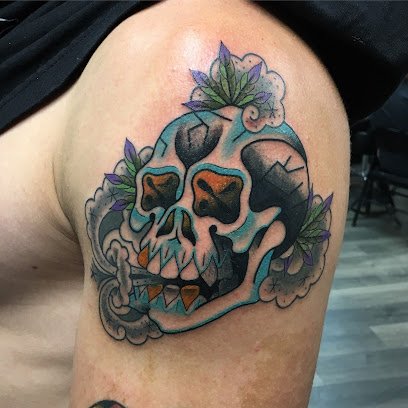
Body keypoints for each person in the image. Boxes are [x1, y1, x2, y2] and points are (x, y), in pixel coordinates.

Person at [0, 1, 407, 407]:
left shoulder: (185, 51)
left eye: (215, 199)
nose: (173, 225)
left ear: (269, 238)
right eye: (159, 188)